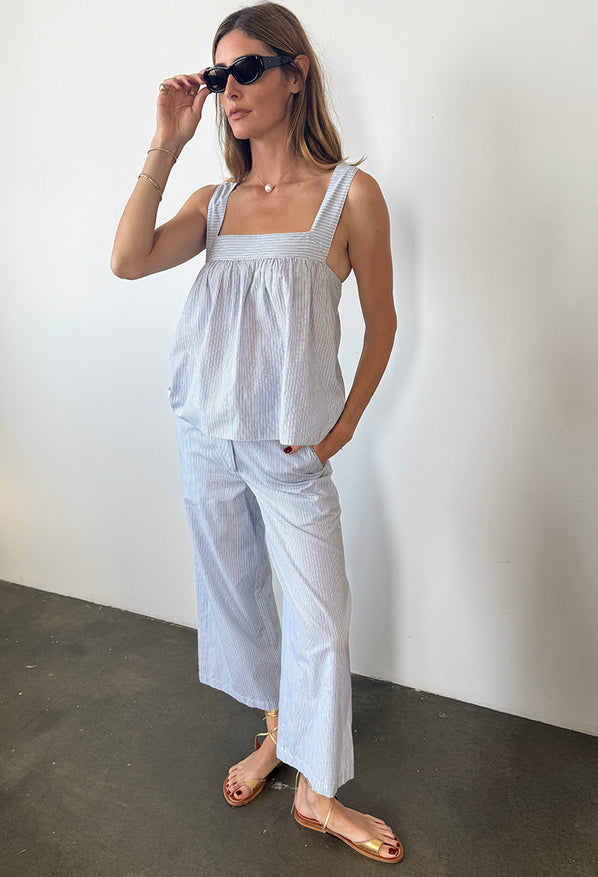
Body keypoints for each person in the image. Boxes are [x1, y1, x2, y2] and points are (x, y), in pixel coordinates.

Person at [111, 1, 402, 864]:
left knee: (321, 619)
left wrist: (340, 430)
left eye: (244, 70)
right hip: (207, 433)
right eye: (217, 75)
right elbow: (126, 259)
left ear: (294, 72)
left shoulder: (352, 196)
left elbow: (383, 323)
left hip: (290, 449)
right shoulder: (216, 199)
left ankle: (320, 787)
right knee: (236, 599)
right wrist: (166, 141)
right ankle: (279, 731)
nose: (228, 89)